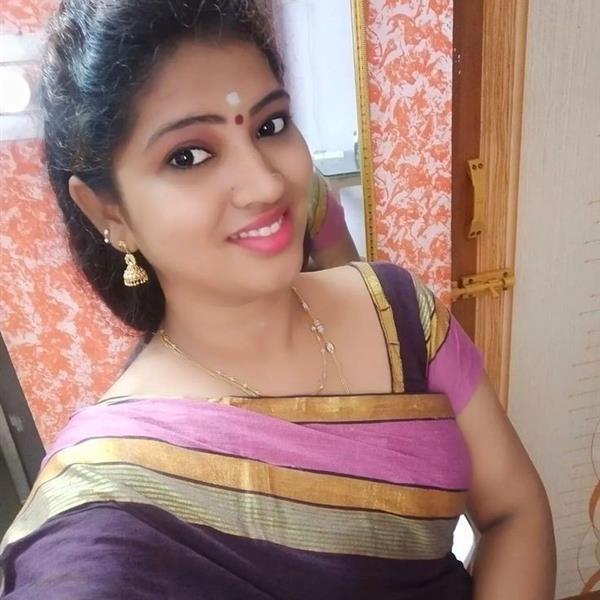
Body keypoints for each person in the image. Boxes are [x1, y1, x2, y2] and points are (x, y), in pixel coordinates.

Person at [0, 1, 555, 598]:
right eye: (189, 155)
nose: (266, 183)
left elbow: (514, 511)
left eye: (270, 125)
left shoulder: (400, 312)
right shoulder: (109, 500)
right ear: (108, 212)